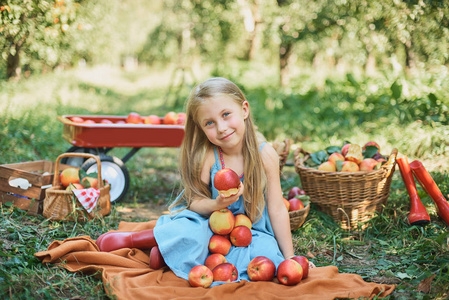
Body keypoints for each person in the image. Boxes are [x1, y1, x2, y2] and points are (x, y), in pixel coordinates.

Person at [96, 77, 303, 286]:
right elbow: (194, 202)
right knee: (190, 232)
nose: (221, 128)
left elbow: (277, 208)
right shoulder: (210, 156)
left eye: (226, 115)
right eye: (210, 123)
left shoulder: (265, 155)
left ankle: (170, 254)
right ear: (201, 128)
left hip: (250, 232)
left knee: (267, 253)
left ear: (244, 110)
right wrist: (216, 204)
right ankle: (135, 240)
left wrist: (290, 257)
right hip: (208, 223)